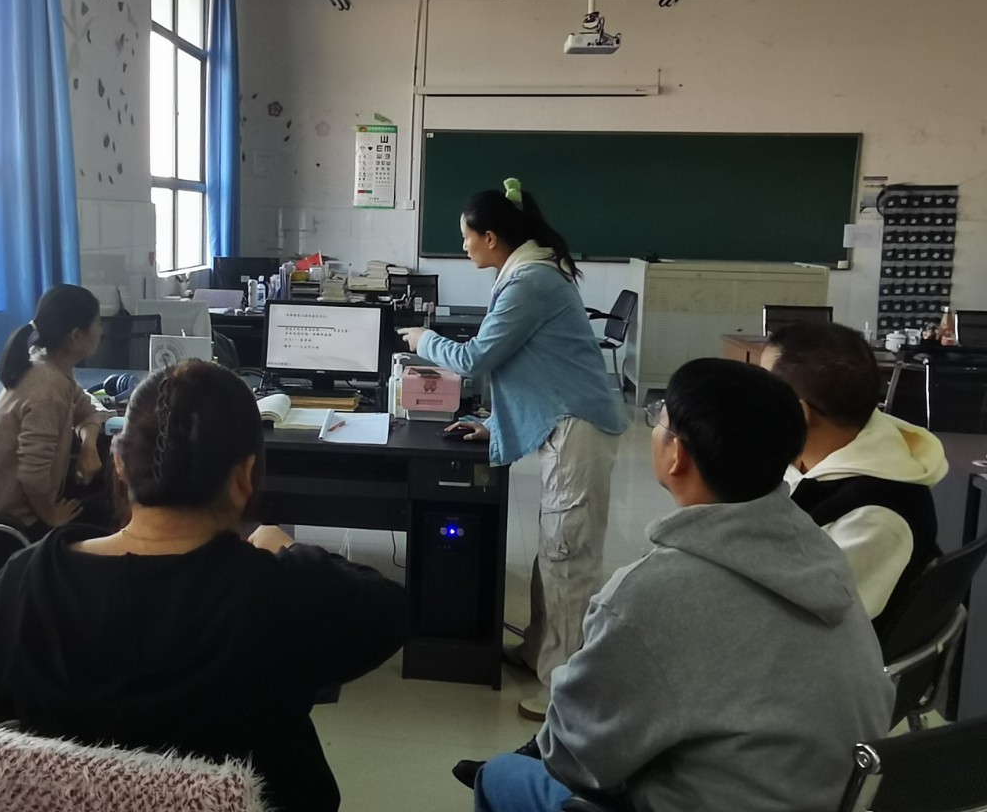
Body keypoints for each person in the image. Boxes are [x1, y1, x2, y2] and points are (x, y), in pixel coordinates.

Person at [0, 360, 408, 812]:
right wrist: (290, 550)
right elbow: (390, 612)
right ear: (244, 476)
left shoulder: (25, 581)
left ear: (119, 463)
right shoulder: (285, 590)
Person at [471, 359, 895, 812]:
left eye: (660, 418)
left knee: (499, 776)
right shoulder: (821, 551)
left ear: (678, 456)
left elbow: (571, 759)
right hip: (832, 796)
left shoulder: (650, 593)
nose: (654, 427)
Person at [399, 177, 625, 719]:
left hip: (578, 429)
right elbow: (531, 364)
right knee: (554, 552)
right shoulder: (528, 272)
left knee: (568, 559)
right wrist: (494, 422)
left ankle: (562, 688)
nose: (463, 246)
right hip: (565, 421)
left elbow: (478, 358)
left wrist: (423, 340)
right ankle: (539, 650)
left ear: (492, 237)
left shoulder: (531, 281)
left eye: (466, 237)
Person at [761, 322, 945, 629]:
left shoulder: (876, 515)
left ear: (798, 411)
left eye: (760, 391)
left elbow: (798, 621)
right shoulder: (806, 458)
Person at [0, 284, 107, 543]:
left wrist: (88, 445)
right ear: (76, 336)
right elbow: (33, 476)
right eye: (97, 323)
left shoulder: (50, 365)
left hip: (17, 517)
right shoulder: (48, 386)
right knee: (100, 524)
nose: (101, 331)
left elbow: (88, 411)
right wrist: (51, 516)